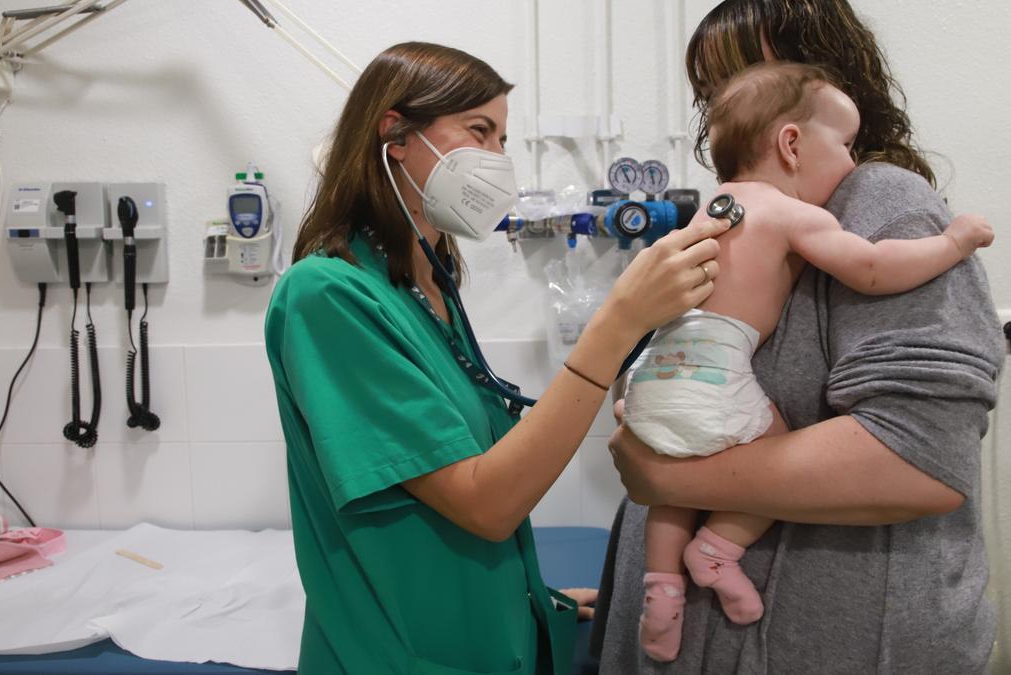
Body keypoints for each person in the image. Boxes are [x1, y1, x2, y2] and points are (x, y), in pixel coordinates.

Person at [264, 42, 729, 675]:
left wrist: (539, 604)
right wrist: (618, 324)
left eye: (504, 139)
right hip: (401, 656)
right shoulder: (327, 295)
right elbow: (485, 503)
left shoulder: (424, 288)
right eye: (479, 132)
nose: (498, 162)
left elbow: (452, 497)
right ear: (395, 134)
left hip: (489, 637)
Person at [591, 1, 1005, 672]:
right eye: (712, 94)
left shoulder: (882, 203)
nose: (728, 106)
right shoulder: (744, 214)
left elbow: (921, 459)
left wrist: (662, 470)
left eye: (747, 77)